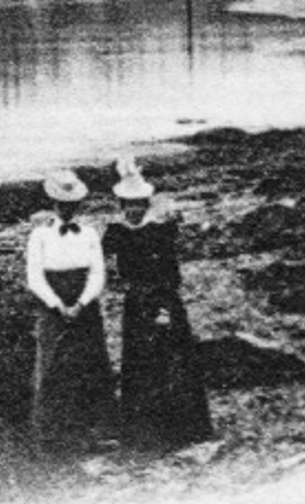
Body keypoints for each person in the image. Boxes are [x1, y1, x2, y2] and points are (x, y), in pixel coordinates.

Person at [104, 158, 215, 451]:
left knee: (172, 362)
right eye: (128, 205)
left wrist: (164, 309)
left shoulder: (159, 231)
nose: (133, 210)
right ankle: (144, 432)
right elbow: (96, 254)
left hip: (163, 302)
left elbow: (171, 274)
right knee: (139, 364)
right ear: (121, 205)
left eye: (138, 204)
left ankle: (181, 429)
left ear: (146, 204)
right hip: (135, 305)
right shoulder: (117, 232)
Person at [25, 169, 117, 451]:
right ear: (53, 203)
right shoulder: (39, 235)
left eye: (72, 204)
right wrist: (57, 305)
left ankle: (96, 434)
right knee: (52, 365)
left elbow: (98, 273)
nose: (66, 209)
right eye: (61, 204)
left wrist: (81, 303)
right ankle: (52, 437)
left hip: (84, 305)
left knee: (91, 365)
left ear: (78, 205)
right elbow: (34, 277)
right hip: (52, 306)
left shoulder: (89, 233)